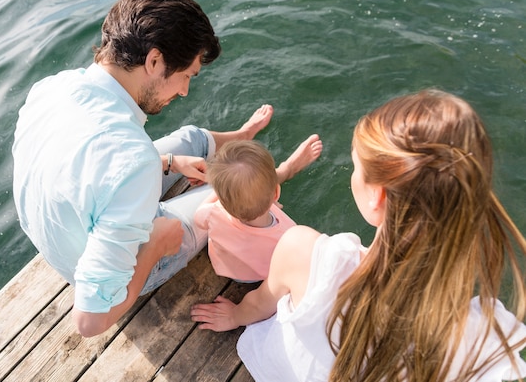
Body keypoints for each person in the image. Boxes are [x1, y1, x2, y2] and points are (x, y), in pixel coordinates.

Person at [191, 89, 526, 381]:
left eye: (356, 166)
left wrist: (234, 315)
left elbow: (260, 304)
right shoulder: (479, 341)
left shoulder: (305, 252)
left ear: (376, 196)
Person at [12, 0, 275, 338]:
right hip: (118, 272)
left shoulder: (51, 88)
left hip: (69, 232)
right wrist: (154, 247)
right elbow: (91, 320)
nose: (184, 91)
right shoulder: (130, 159)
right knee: (231, 195)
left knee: (188, 139)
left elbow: (101, 166)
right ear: (154, 60)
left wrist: (167, 163)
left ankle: (240, 136)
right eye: (186, 76)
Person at [194, 136, 322, 282]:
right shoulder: (288, 234)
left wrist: (225, 189)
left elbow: (198, 216)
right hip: (257, 278)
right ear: (276, 194)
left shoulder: (211, 214)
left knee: (249, 193)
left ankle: (271, 184)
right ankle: (286, 171)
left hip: (227, 268)